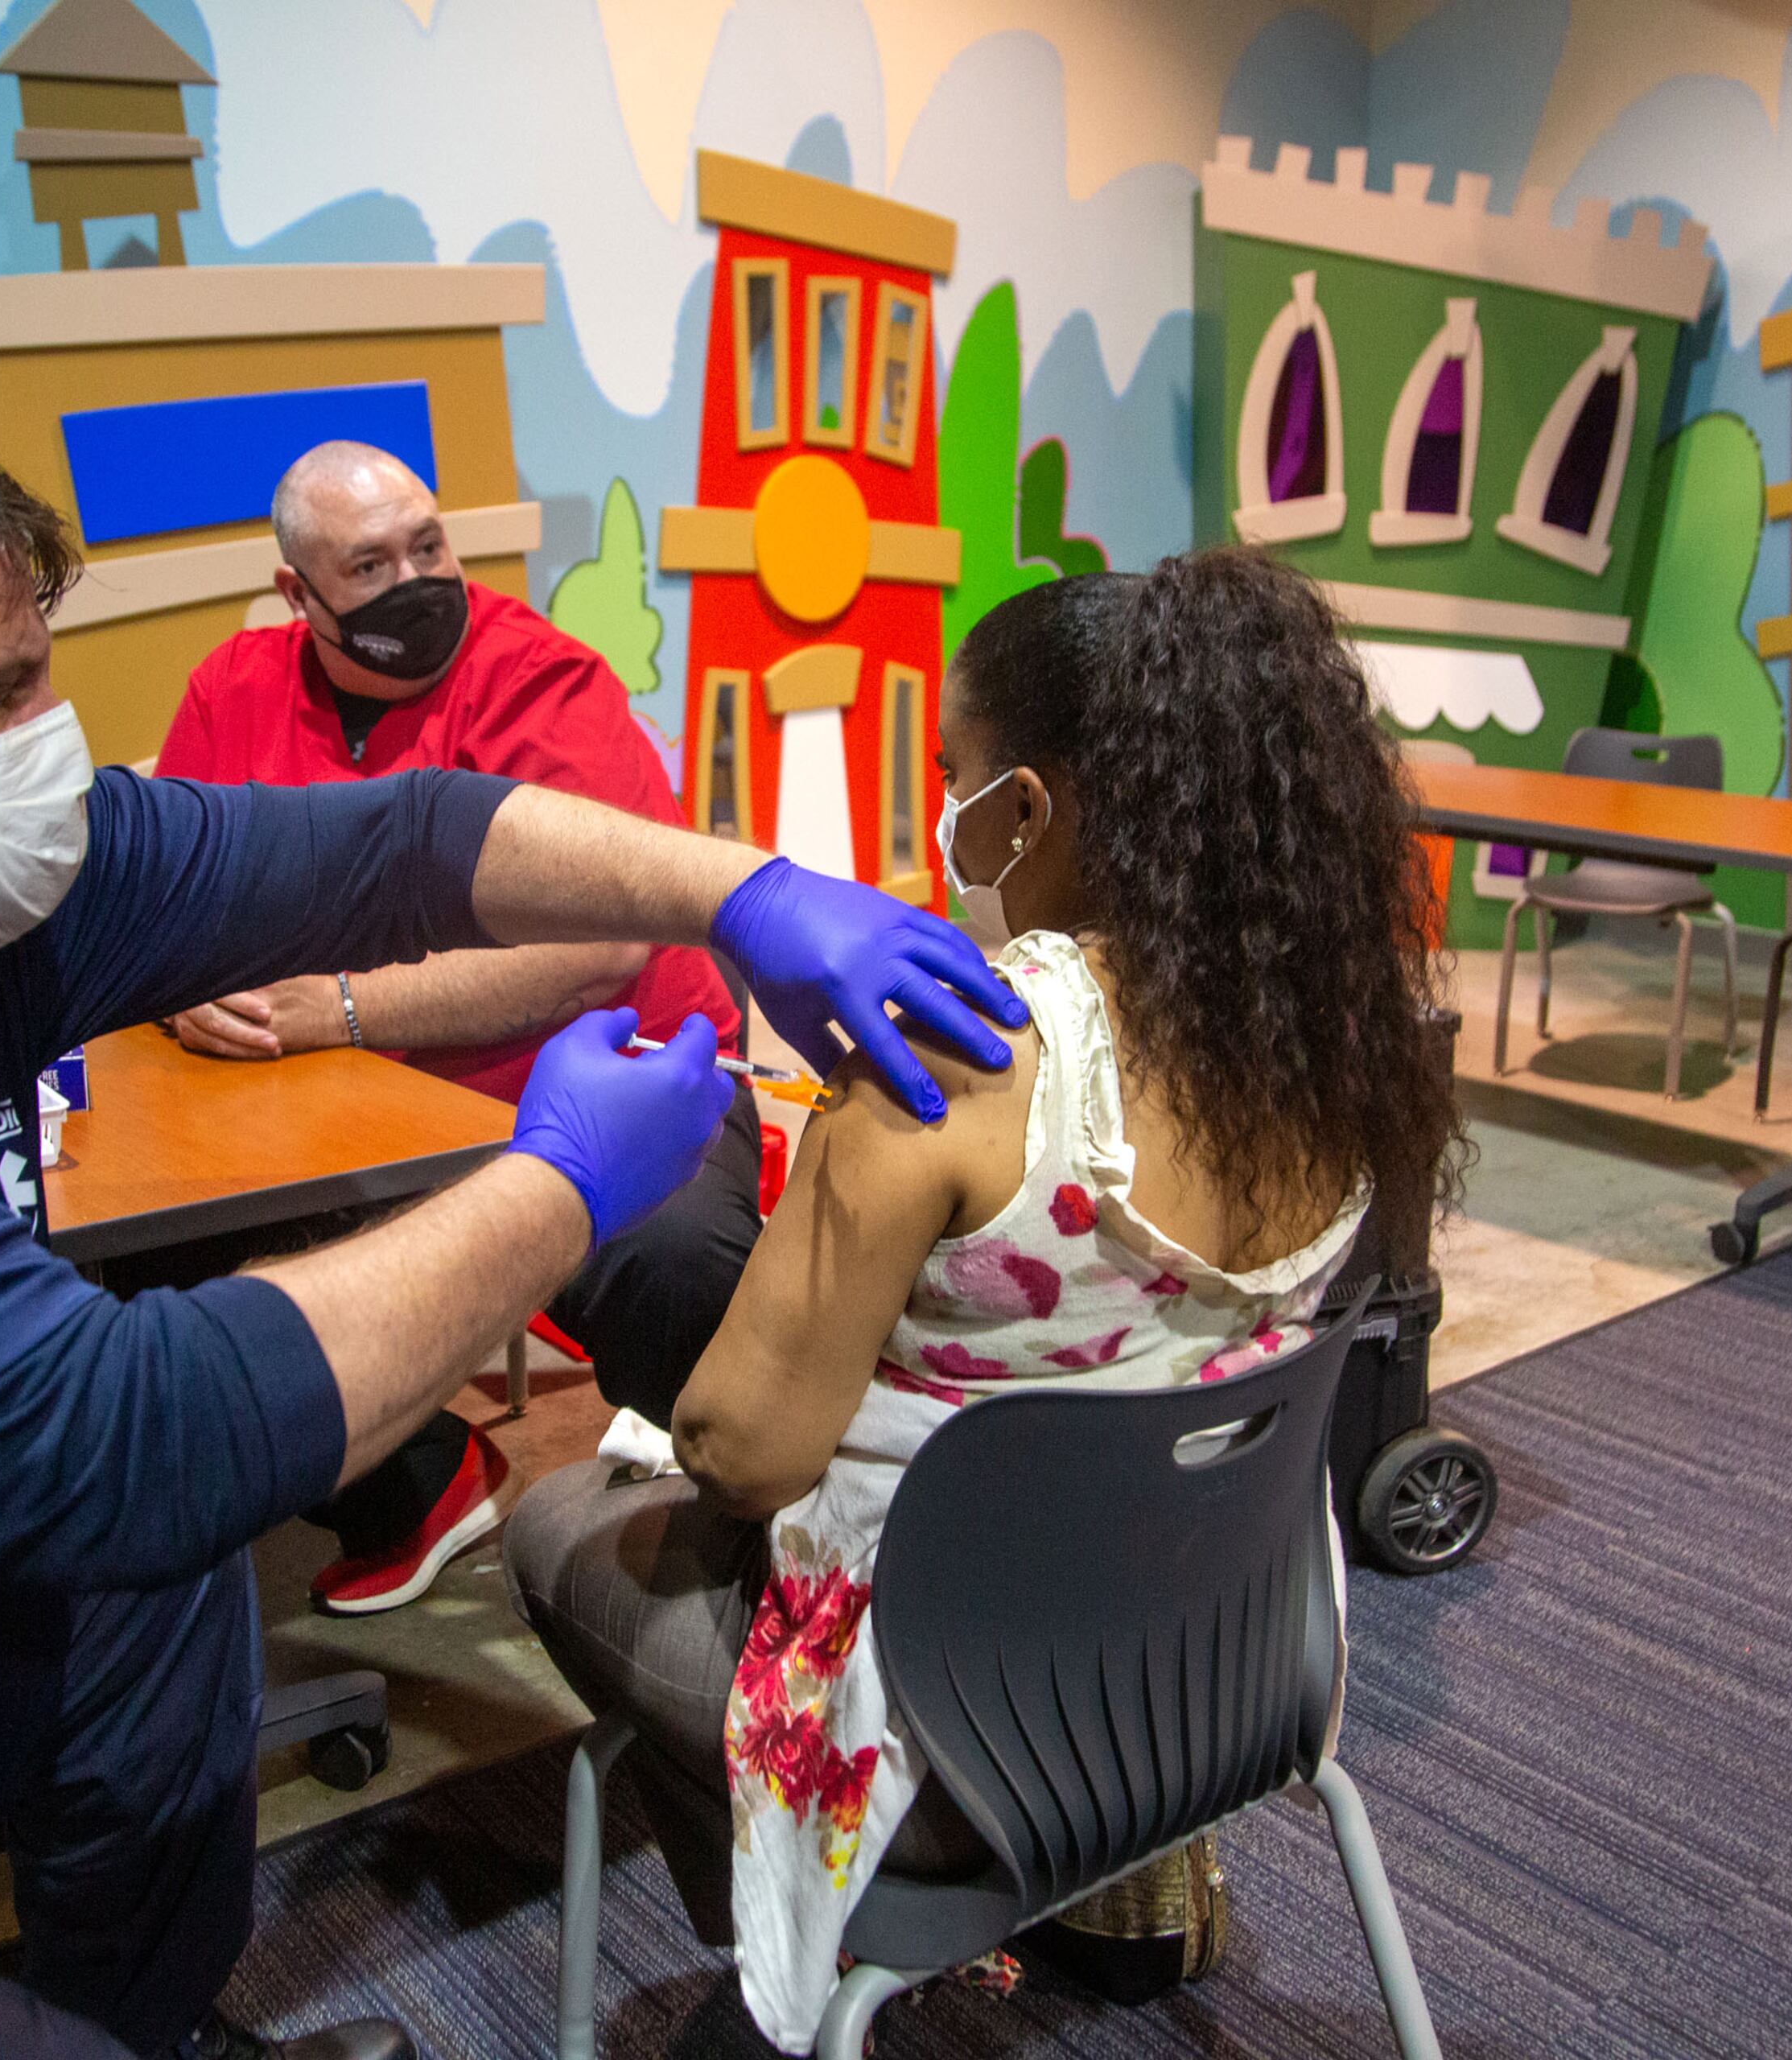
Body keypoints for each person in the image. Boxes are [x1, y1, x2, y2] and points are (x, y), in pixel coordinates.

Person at [0, 402, 1026, 2060]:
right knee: (150, 1500)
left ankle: (146, 2017)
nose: (53, 736)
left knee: (156, 1591)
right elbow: (119, 1430)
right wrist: (562, 1183)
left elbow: (403, 838)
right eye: (0, 693)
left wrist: (736, 893)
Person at [502, 550, 1464, 2051]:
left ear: (1029, 806)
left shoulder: (951, 1053)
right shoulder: (1337, 1038)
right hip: (1228, 1672)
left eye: (954, 776)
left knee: (556, 1525)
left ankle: (815, 1958)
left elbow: (745, 1451)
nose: (940, 816)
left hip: (968, 1730)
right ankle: (1098, 1886)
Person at [151, 442, 753, 1616]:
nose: (416, 580)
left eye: (428, 544)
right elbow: (171, 890)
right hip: (341, 1106)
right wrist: (181, 978)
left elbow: (597, 951)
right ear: (297, 595)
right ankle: (413, 1482)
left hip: (615, 1076)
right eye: (369, 565)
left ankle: (747, 1536)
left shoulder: (544, 683)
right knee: (172, 1252)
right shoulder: (232, 690)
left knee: (675, 1258)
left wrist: (338, 1007)